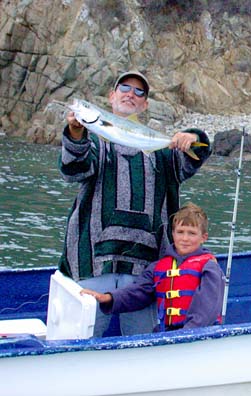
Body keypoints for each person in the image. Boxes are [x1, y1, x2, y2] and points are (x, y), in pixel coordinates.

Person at [59, 71, 212, 336]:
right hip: (95, 261)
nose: (131, 94)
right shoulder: (92, 141)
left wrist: (193, 137)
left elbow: (196, 156)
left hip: (146, 266)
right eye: (125, 88)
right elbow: (73, 170)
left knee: (140, 341)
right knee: (82, 336)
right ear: (111, 96)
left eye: (139, 92)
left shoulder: (165, 153)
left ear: (145, 104)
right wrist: (75, 131)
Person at [81, 203, 225, 332]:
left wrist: (186, 335)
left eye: (192, 233)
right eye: (180, 232)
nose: (185, 238)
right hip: (166, 333)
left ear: (203, 237)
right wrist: (108, 298)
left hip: (196, 335)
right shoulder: (159, 267)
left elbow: (207, 309)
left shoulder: (209, 267)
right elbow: (137, 292)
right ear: (173, 233)